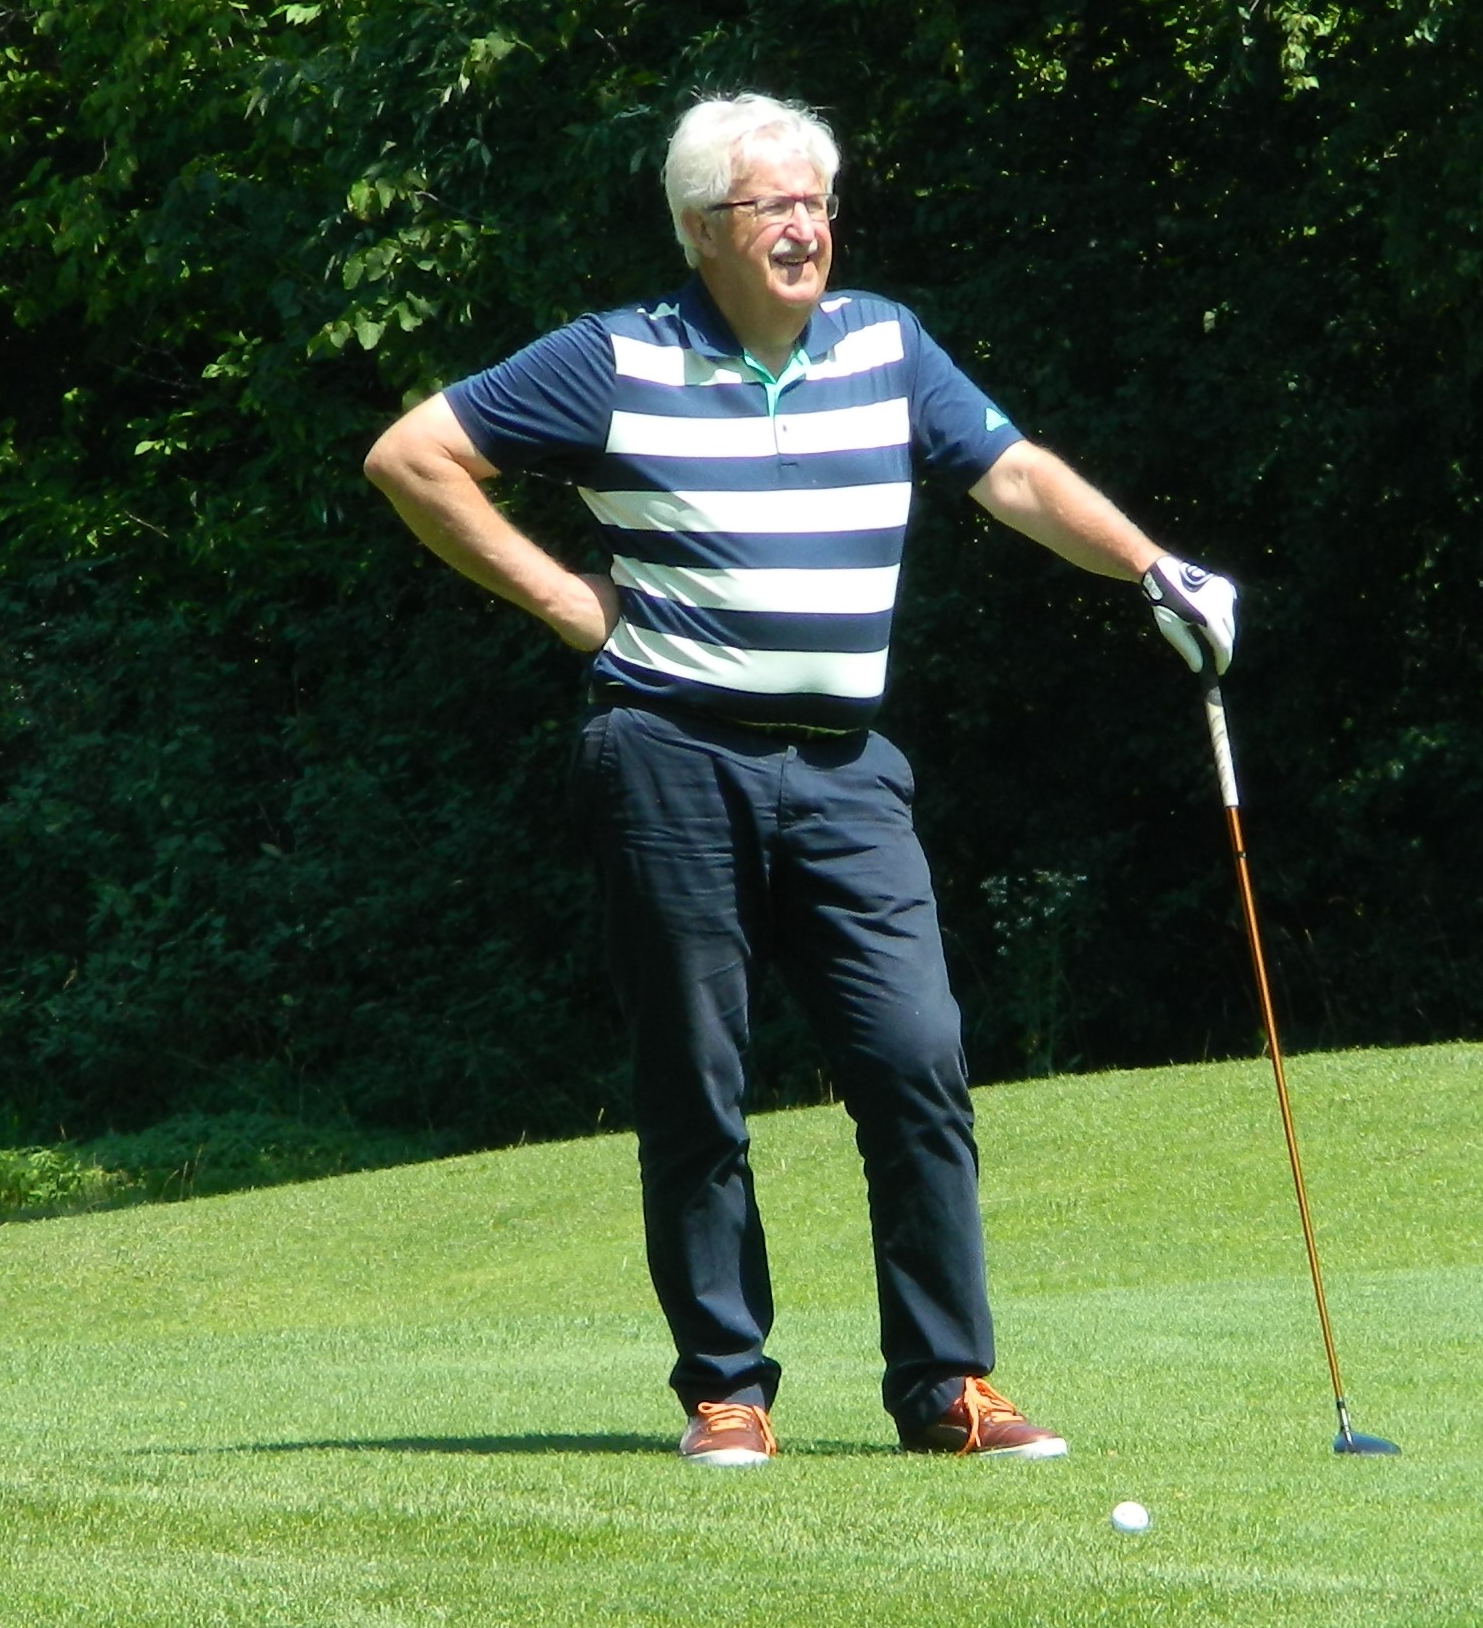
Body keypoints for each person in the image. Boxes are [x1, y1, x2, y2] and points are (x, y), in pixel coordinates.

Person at [364, 94, 1238, 1466]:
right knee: (697, 1080)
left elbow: (1009, 475)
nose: (804, 226)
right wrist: (562, 600)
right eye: (772, 205)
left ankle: (947, 1384)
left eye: (817, 201)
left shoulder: (886, 344)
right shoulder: (615, 359)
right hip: (669, 756)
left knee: (916, 1059)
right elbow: (413, 456)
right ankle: (727, 1387)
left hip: (843, 770)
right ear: (703, 228)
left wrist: (1149, 567)